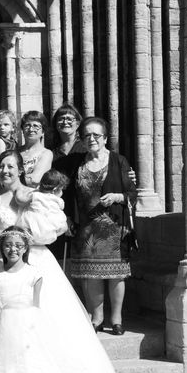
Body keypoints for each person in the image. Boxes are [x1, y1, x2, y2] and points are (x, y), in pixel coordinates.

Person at [0, 150, 131, 373]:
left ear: (21, 169)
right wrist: (11, 238)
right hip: (2, 264)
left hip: (38, 265)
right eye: (1, 166)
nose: (5, 171)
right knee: (1, 330)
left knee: (44, 325)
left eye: (11, 166)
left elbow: (54, 227)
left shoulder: (36, 195)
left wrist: (28, 237)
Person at [59, 116, 137, 336]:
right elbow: (65, 190)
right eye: (87, 135)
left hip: (114, 228)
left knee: (116, 275)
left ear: (105, 138)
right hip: (86, 228)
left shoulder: (119, 161)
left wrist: (118, 196)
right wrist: (66, 218)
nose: (91, 139)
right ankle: (97, 317)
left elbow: (132, 193)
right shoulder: (76, 162)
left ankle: (117, 319)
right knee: (91, 275)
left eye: (96, 135)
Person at [16, 169, 69, 246]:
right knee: (64, 227)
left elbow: (20, 200)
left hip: (33, 226)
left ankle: (33, 237)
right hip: (48, 228)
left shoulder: (35, 195)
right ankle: (50, 235)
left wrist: (18, 190)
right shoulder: (59, 200)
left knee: (24, 225)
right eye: (61, 190)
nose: (62, 192)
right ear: (54, 190)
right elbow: (60, 208)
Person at [18, 111, 53, 187]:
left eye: (36, 126)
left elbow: (35, 179)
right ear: (22, 130)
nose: (31, 129)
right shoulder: (16, 152)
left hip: (34, 196)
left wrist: (10, 179)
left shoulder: (46, 153)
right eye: (27, 125)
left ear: (43, 131)